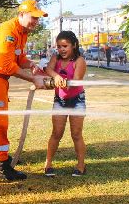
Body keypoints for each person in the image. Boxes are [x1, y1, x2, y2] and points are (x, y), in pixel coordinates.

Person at [0, 0, 46, 181]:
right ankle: (1, 168)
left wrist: (32, 65)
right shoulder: (8, 30)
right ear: (21, 14)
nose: (36, 22)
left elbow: (19, 59)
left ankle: (0, 159)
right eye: (33, 17)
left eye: (38, 19)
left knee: (1, 120)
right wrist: (33, 78)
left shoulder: (22, 32)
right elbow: (7, 65)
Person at [44, 30, 87, 177]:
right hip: (60, 100)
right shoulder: (56, 58)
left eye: (65, 46)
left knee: (76, 134)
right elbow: (48, 69)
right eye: (59, 46)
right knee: (56, 133)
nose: (61, 49)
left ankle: (81, 165)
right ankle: (48, 164)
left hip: (77, 101)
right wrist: (55, 76)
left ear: (73, 45)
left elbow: (73, 84)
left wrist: (60, 82)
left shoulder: (79, 61)